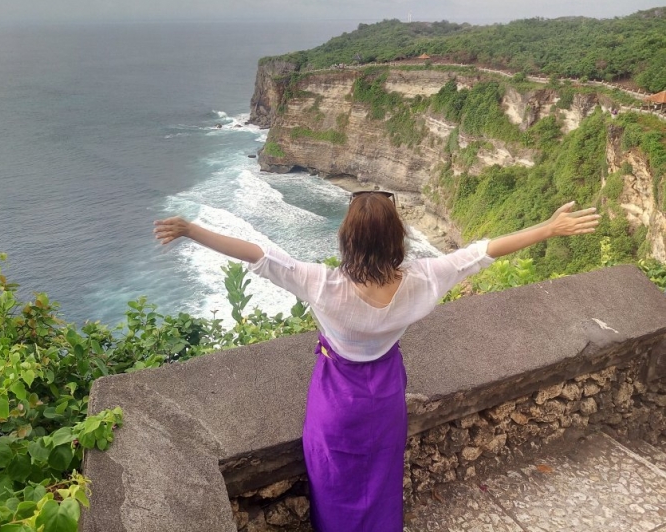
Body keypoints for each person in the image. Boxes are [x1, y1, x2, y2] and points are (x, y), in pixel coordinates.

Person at [153, 193, 600, 531]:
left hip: (336, 400)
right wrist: (548, 228)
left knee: (334, 480)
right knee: (380, 476)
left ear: (347, 239)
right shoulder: (424, 280)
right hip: (385, 393)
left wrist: (192, 230)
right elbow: (483, 251)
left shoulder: (322, 285)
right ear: (396, 239)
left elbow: (258, 255)